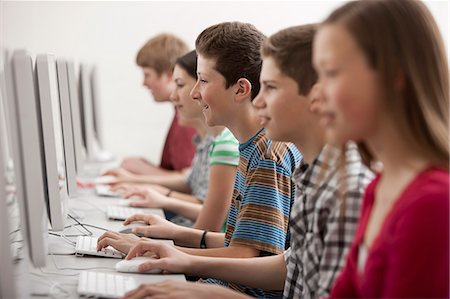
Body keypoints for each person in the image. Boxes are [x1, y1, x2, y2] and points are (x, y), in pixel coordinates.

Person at [118, 24, 374, 299]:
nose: (259, 100)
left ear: (316, 96)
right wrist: (180, 254)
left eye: (270, 88)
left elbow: (251, 255)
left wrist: (188, 267)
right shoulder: (309, 171)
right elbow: (286, 262)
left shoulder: (280, 160)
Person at [99, 21, 301, 298]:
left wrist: (173, 253)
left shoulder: (267, 155)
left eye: (203, 80)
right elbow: (243, 243)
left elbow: (247, 256)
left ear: (240, 89)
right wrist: (169, 239)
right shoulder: (251, 147)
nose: (194, 93)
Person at [312, 1, 450, 297]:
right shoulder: (379, 187)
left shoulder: (433, 203)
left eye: (331, 73)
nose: (317, 92)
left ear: (394, 75)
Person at [107, 50, 239, 229]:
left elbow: (208, 218)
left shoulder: (226, 145)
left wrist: (162, 195)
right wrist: (139, 183)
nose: (173, 96)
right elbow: (189, 182)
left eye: (180, 84)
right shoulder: (211, 140)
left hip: (191, 232)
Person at [120, 33, 196, 176]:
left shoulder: (188, 121)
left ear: (169, 75)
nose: (143, 83)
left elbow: (188, 181)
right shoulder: (179, 114)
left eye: (147, 75)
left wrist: (143, 170)